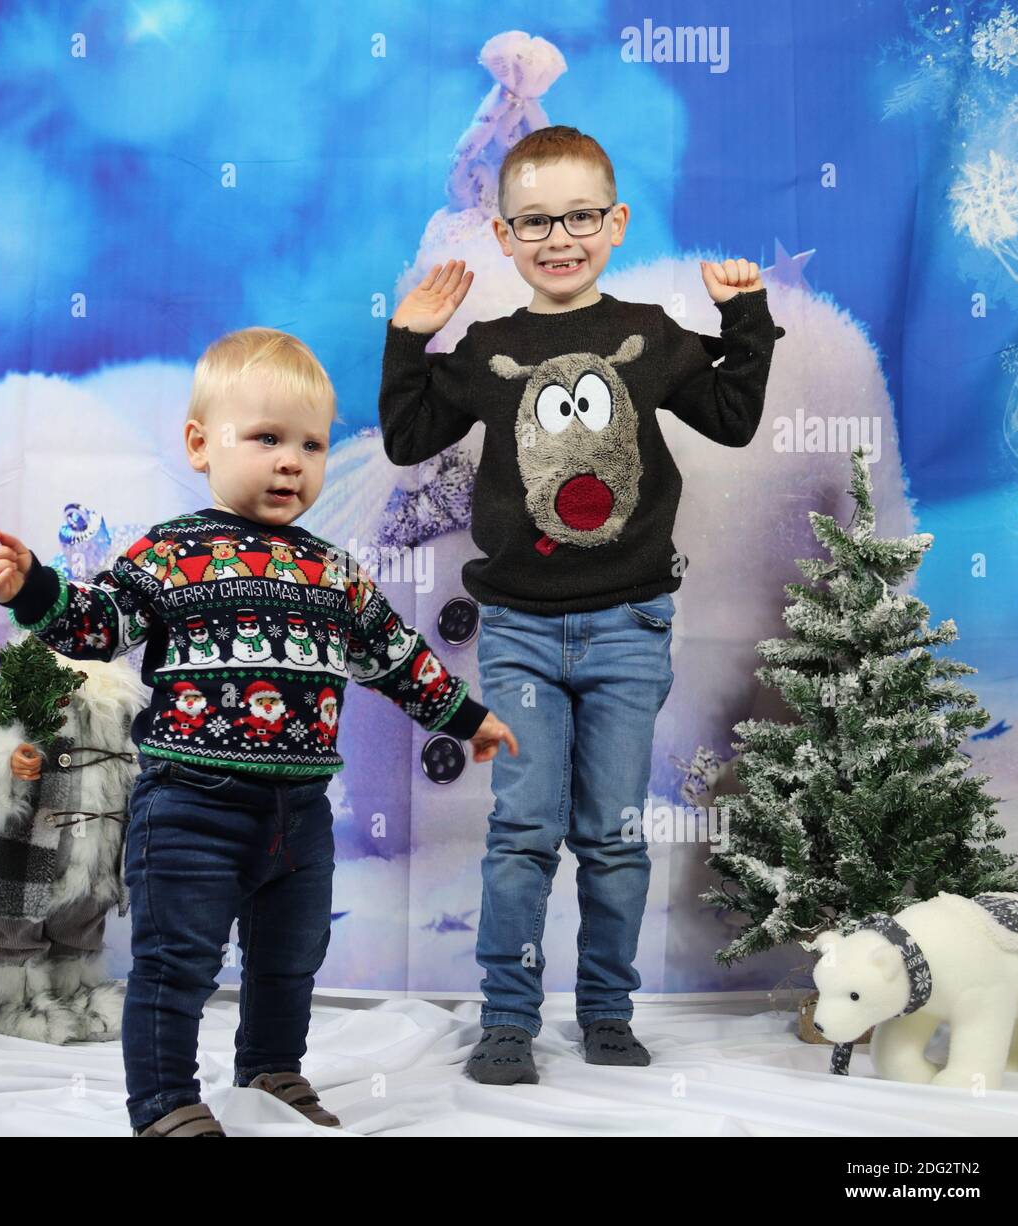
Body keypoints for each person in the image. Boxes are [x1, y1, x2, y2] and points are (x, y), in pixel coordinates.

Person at [0, 327, 518, 1135]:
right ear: (201, 444)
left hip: (299, 812)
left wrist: (467, 717)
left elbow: (397, 656)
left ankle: (272, 1069)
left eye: (311, 444)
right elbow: (99, 622)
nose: (292, 461)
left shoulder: (332, 570)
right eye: (267, 438)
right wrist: (36, 590)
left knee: (290, 958)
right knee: (177, 960)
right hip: (190, 803)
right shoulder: (172, 552)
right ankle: (164, 1101)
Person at [379, 124, 786, 1084]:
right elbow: (405, 437)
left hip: (630, 626)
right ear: (503, 232)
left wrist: (748, 318)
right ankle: (509, 1019)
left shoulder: (648, 333)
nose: (560, 237)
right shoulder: (488, 349)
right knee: (523, 828)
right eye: (536, 221)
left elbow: (730, 418)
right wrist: (406, 336)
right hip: (518, 632)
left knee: (610, 831)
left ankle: (607, 1008)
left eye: (580, 217)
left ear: (616, 222)